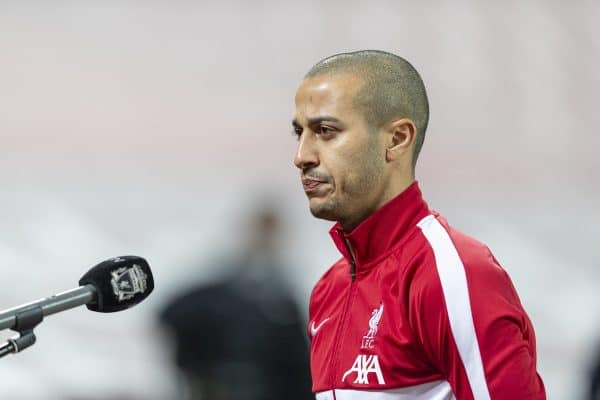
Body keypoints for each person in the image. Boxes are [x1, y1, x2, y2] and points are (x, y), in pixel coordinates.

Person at [291, 50, 546, 399]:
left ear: (397, 140)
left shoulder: (453, 275)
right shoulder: (328, 290)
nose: (302, 155)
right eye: (299, 133)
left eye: (326, 131)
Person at [159, 208, 312, 400]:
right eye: (260, 234)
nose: (264, 242)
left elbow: (297, 365)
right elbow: (171, 316)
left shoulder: (283, 301)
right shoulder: (219, 287)